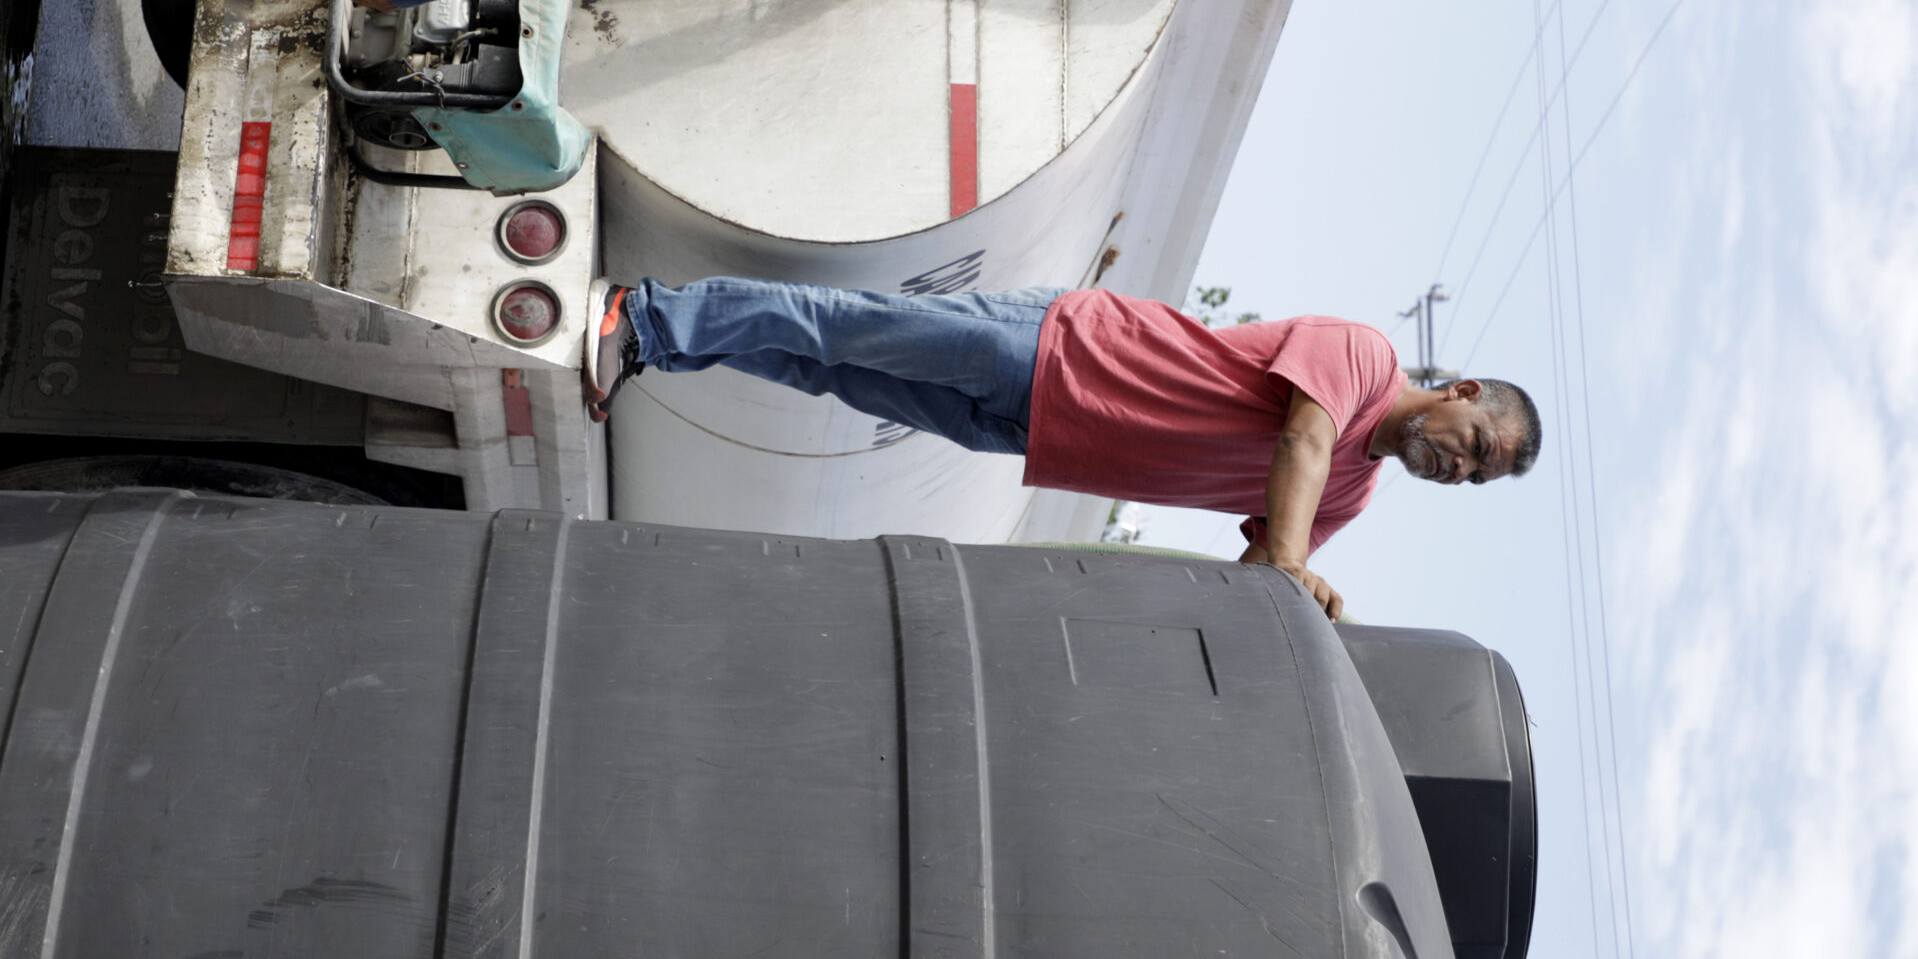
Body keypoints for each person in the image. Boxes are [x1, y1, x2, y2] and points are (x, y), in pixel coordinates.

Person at [584, 278, 1542, 619]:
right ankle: (652, 310)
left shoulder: (1353, 498)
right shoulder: (1364, 359)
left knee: (835, 373)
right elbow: (1302, 434)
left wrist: (1295, 600)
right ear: (1459, 392)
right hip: (1058, 349)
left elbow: (1262, 570)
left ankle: (660, 345)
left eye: (1476, 476)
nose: (1461, 467)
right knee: (846, 328)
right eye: (1476, 444)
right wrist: (1294, 560)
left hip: (1043, 434)